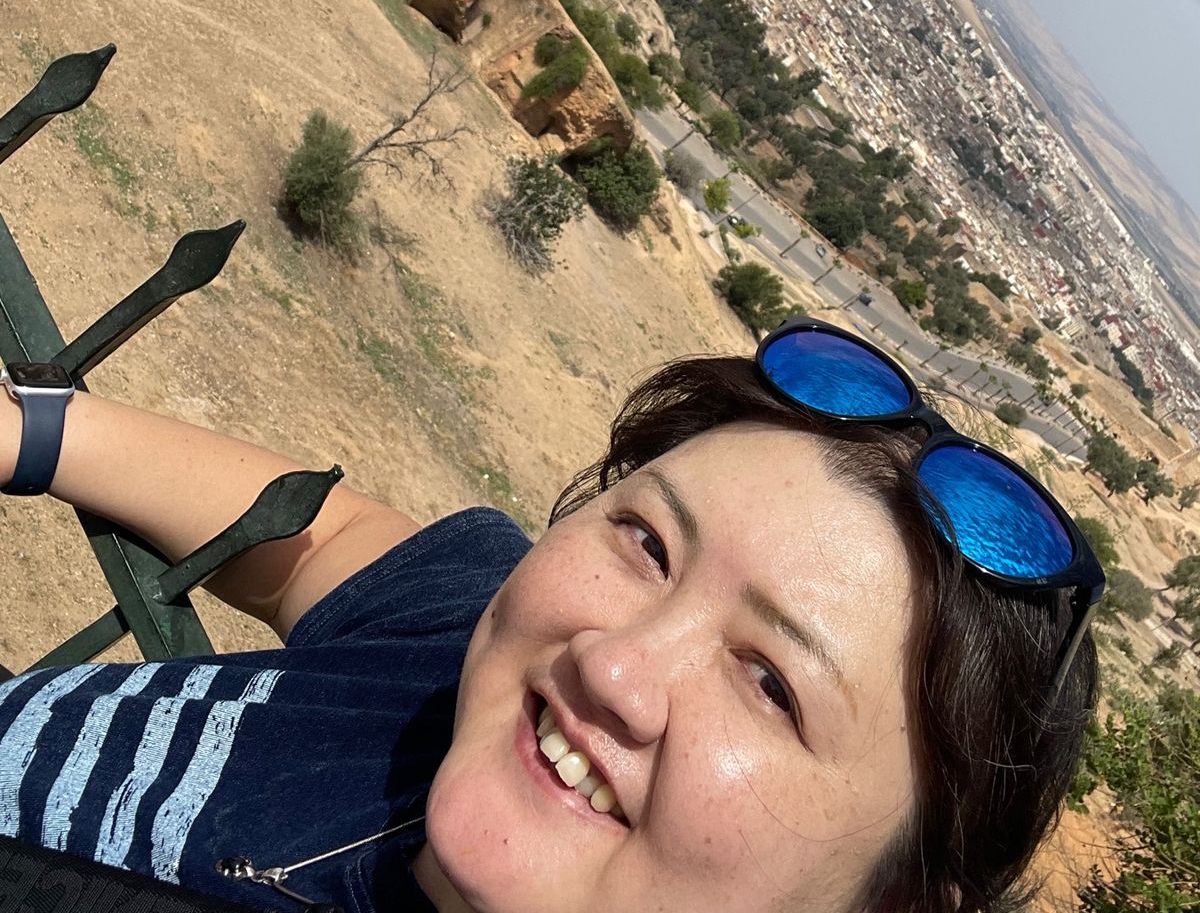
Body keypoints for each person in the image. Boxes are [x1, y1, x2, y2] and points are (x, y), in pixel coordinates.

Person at [0, 318, 1102, 913]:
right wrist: (30, 433)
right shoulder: (458, 659)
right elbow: (321, 537)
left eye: (770, 682)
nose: (614, 665)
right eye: (648, 543)